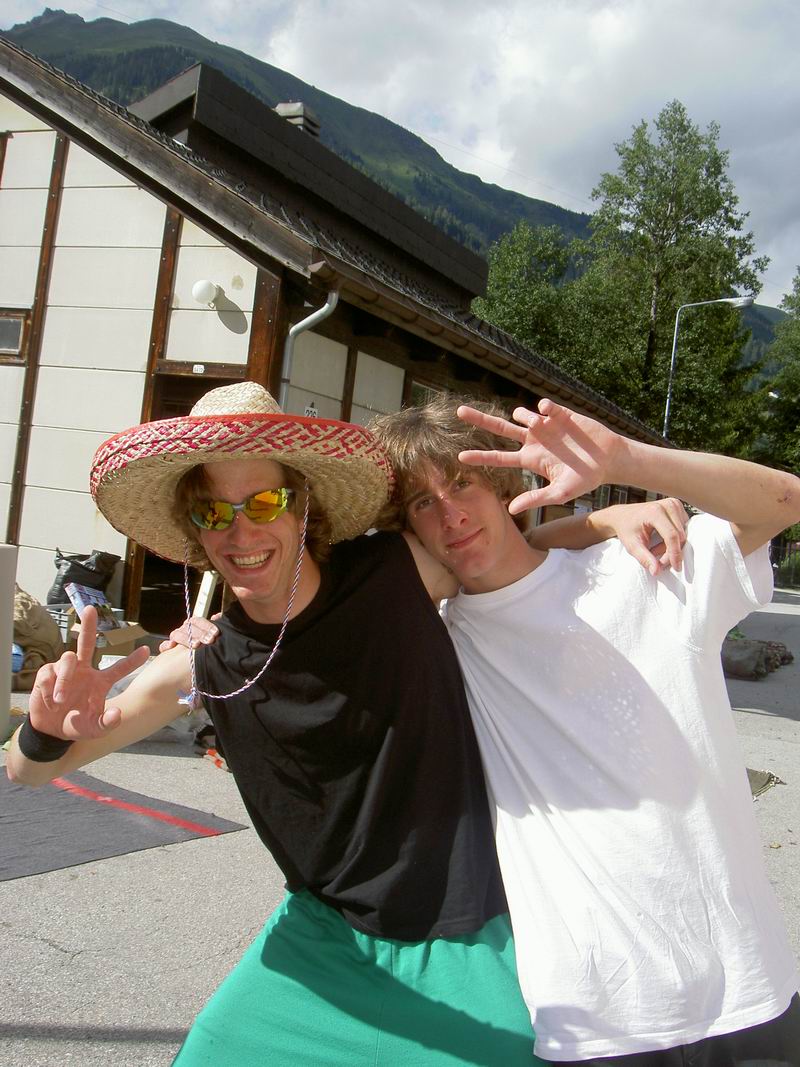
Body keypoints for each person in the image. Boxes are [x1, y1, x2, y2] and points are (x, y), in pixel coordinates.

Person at [369, 393, 800, 1065]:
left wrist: (625, 462)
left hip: (744, 981)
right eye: (423, 503)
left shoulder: (641, 570)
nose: (451, 514)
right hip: (597, 1012)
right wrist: (586, 522)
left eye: (462, 483)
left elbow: (782, 502)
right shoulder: (442, 640)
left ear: (505, 484)